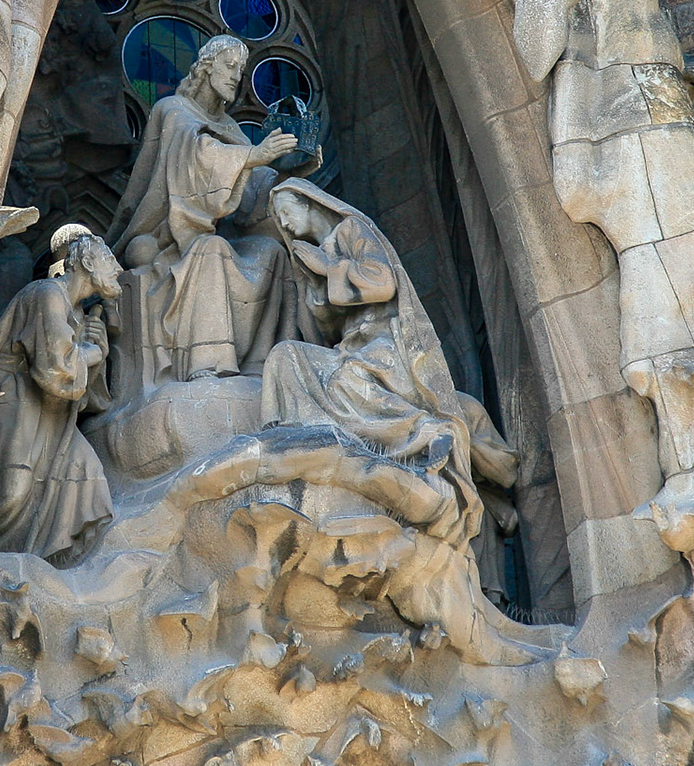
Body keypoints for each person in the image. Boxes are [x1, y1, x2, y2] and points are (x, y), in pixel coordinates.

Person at [259, 179, 479, 521]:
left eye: (286, 213)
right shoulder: (320, 251)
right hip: (352, 344)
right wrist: (317, 288)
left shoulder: (351, 229)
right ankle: (295, 443)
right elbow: (330, 324)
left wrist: (328, 268)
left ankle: (429, 432)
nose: (285, 225)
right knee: (286, 357)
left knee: (346, 379)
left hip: (384, 343)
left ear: (308, 203)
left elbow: (382, 283)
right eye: (279, 220)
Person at [107, 35, 300, 389]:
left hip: (213, 234)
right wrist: (253, 155)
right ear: (206, 66)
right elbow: (191, 154)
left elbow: (255, 189)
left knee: (272, 252)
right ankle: (208, 364)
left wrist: (292, 169)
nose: (234, 77)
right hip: (167, 238)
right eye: (228, 66)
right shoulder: (172, 109)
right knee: (211, 250)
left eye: (240, 72)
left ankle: (260, 364)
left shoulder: (231, 127)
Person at [0, 225, 123, 565]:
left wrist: (98, 346)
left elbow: (86, 396)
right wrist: (94, 352)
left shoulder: (78, 313)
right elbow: (57, 370)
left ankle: (51, 571)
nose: (119, 268)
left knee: (89, 479)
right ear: (87, 262)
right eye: (110, 258)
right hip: (12, 395)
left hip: (50, 410)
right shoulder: (46, 294)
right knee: (11, 493)